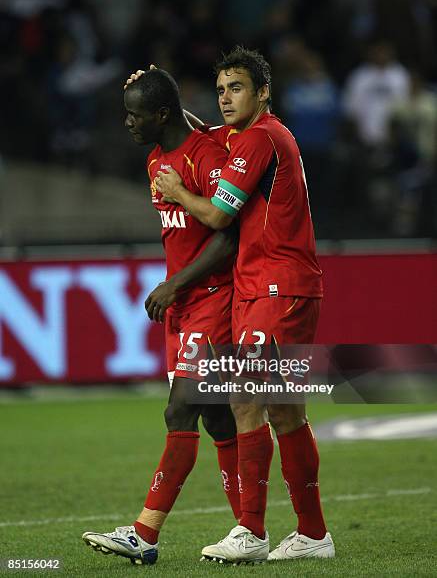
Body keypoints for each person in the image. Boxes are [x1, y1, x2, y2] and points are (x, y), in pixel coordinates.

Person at [156, 47, 335, 563]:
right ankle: (313, 534)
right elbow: (200, 133)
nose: (226, 99)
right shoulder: (243, 136)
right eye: (220, 90)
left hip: (276, 286)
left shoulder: (259, 138)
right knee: (285, 412)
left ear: (263, 93)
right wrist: (166, 91)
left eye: (237, 88)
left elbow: (215, 216)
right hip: (271, 286)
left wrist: (176, 190)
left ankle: (250, 530)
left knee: (243, 399)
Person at [82, 68, 241, 565]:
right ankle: (249, 528)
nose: (129, 123)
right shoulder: (156, 159)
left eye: (136, 114)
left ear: (163, 115)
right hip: (183, 306)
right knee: (217, 419)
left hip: (212, 299)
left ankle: (144, 534)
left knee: (179, 410)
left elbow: (227, 234)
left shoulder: (209, 158)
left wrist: (174, 282)